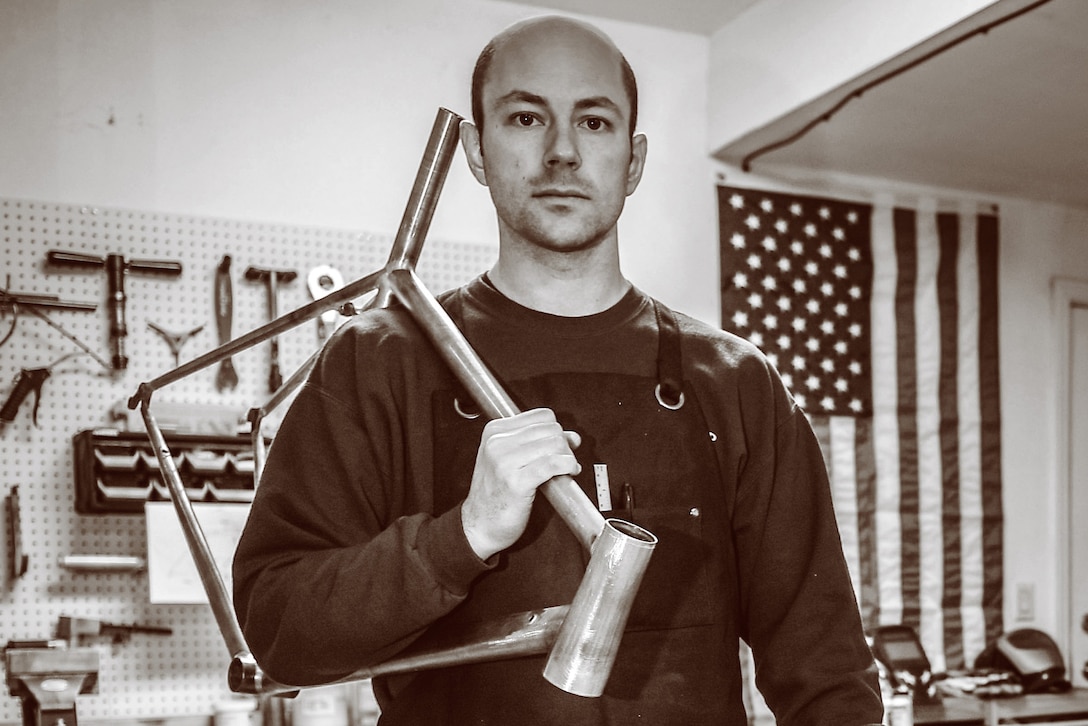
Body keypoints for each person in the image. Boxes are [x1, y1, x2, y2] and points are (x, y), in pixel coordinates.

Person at [233, 15, 883, 725]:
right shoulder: (378, 360)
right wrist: (464, 535)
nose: (563, 152)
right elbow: (278, 633)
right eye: (524, 117)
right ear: (476, 150)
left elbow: (826, 673)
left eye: (595, 122)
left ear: (632, 162)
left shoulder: (732, 381)